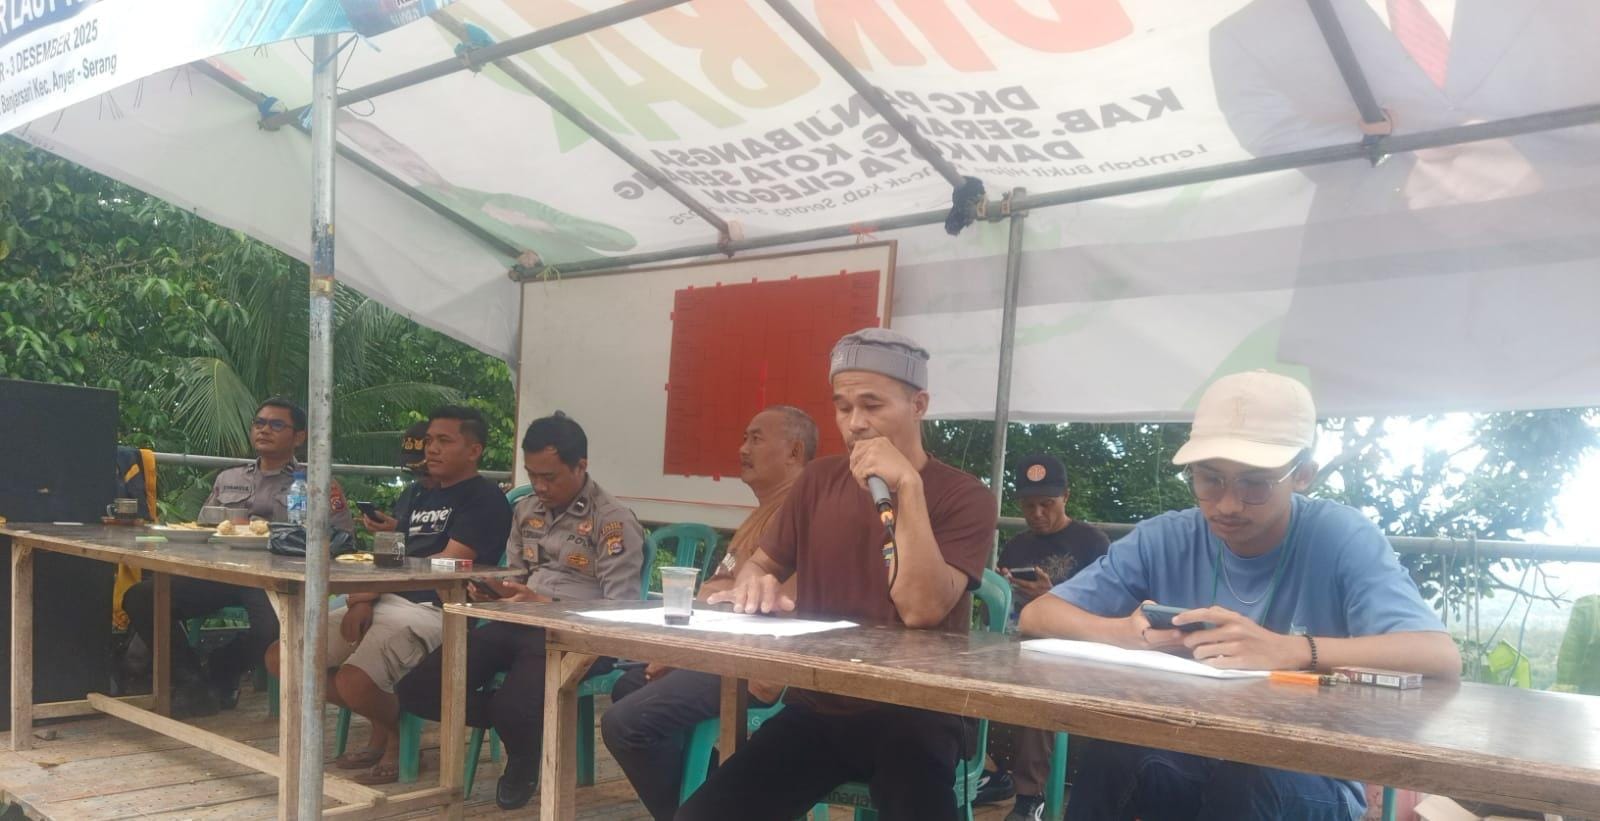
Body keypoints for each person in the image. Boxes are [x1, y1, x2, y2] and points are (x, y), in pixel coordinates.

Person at [1019, 370, 1461, 821]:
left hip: (1310, 771)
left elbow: (1438, 655)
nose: (1228, 504)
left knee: (1250, 781)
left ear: (1303, 475)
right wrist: (1123, 634)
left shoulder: (1341, 537)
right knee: (1114, 755)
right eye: (1210, 479)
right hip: (1191, 752)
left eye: (1255, 483)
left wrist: (1291, 650)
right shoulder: (1166, 537)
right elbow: (1038, 615)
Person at [677, 328, 998, 821]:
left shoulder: (965, 496)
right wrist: (755, 584)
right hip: (820, 705)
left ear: (918, 405)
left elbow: (921, 609)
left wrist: (908, 487)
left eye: (872, 405)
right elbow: (761, 564)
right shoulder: (818, 480)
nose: (855, 423)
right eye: (843, 407)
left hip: (918, 711)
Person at [395, 412, 647, 810]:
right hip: (517, 620)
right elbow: (515, 575)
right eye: (533, 475)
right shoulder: (527, 509)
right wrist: (494, 591)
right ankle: (520, 725)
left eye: (550, 477)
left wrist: (548, 606)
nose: (540, 487)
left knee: (516, 704)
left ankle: (521, 747)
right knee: (418, 690)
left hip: (578, 636)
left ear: (580, 466)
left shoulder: (611, 520)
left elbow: (621, 610)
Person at [264, 406, 510, 784]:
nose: (432, 449)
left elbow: (446, 564)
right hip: (387, 597)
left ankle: (398, 737)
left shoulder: (484, 498)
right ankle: (387, 724)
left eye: (444, 441)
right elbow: (393, 555)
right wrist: (364, 599)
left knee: (354, 681)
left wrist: (367, 593)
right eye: (430, 440)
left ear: (474, 450)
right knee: (282, 657)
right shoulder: (416, 494)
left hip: (441, 606)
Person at [601, 406, 818, 821]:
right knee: (629, 686)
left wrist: (689, 651)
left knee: (626, 724)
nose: (742, 449)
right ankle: (724, 803)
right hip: (721, 652)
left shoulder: (803, 511)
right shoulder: (760, 512)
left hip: (757, 667)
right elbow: (716, 590)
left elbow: (772, 607)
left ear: (794, 452)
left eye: (756, 439)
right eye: (744, 438)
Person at [122, 397, 354, 717]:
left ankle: (223, 667)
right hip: (221, 574)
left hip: (276, 578)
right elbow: (204, 527)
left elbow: (343, 538)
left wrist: (285, 536)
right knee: (142, 597)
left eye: (276, 425)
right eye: (259, 423)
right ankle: (191, 682)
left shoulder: (316, 484)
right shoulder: (228, 478)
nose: (264, 430)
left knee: (274, 627)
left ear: (299, 437)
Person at [981, 453, 1109, 820]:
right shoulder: (1016, 545)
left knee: (1038, 686)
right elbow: (989, 614)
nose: (1037, 513)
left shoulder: (1092, 543)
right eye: (1028, 505)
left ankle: (1028, 796)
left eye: (1047, 504)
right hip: (1014, 644)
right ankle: (988, 772)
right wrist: (1002, 593)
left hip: (1073, 651)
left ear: (1066, 496)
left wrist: (1052, 598)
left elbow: (1111, 610)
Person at [359, 420, 431, 534]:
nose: (419, 477)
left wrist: (398, 528)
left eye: (424, 472)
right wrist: (385, 527)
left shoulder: (457, 498)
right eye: (411, 471)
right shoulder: (411, 492)